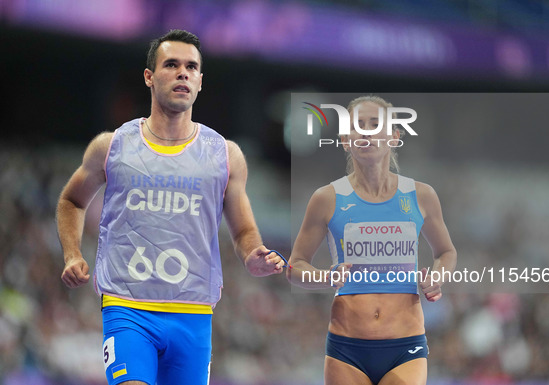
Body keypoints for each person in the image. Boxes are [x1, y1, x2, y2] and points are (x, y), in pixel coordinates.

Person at [56, 29, 285, 385]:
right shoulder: (112, 147)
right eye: (172, 64)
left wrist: (253, 254)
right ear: (149, 76)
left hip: (193, 314)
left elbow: (243, 231)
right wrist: (72, 253)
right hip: (128, 307)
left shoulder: (225, 155)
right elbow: (71, 200)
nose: (183, 73)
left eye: (191, 67)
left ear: (200, 81)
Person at [287, 95, 457, 385]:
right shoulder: (327, 198)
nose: (366, 131)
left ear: (394, 136)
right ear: (345, 139)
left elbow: (446, 251)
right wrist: (325, 278)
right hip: (347, 348)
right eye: (358, 125)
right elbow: (295, 267)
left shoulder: (421, 195)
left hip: (406, 345)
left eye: (375, 124)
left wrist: (437, 276)